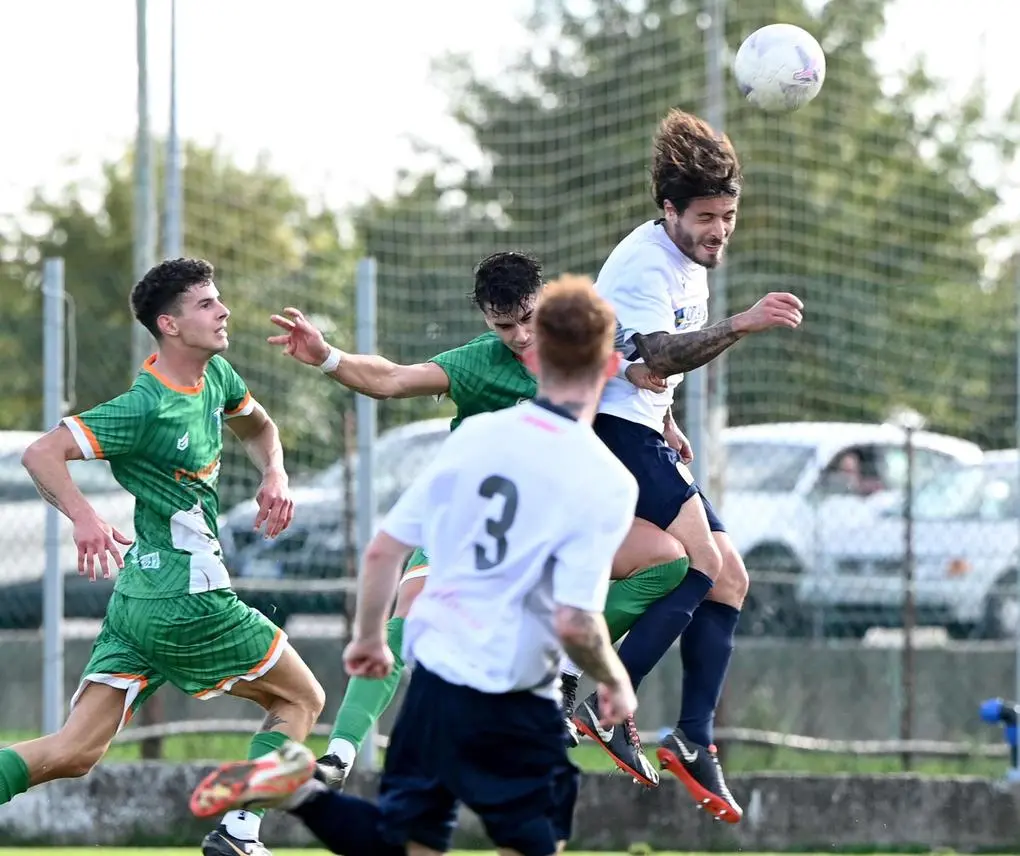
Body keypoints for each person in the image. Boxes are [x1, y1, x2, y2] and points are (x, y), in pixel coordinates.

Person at [190, 277, 641, 856]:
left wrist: (370, 640)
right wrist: (614, 682)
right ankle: (300, 790)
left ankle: (299, 792)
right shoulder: (608, 480)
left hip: (437, 686)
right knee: (532, 845)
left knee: (402, 841)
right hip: (516, 696)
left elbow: (384, 548)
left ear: (538, 355)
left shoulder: (474, 435)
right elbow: (578, 624)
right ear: (607, 368)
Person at [268, 251, 687, 787]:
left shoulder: (580, 344)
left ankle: (558, 683)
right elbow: (393, 378)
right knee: (407, 616)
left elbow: (630, 382)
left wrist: (666, 425)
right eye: (503, 325)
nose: (518, 336)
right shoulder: (478, 367)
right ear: (487, 321)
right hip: (478, 524)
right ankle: (342, 753)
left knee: (668, 562)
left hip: (549, 529)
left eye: (527, 320)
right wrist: (329, 357)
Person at [7, 258, 326, 856]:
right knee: (302, 699)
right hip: (189, 598)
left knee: (73, 752)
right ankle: (239, 832)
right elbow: (41, 454)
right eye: (206, 304)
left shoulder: (219, 377)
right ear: (169, 325)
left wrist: (275, 475)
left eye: (218, 299)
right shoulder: (143, 406)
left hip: (139, 602)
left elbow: (260, 428)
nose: (223, 310)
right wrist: (84, 517)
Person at [567, 108, 804, 822]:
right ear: (669, 209)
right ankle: (604, 702)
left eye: (727, 216)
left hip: (641, 428)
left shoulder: (687, 260)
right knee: (698, 565)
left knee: (731, 578)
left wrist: (667, 418)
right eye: (705, 217)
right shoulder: (644, 260)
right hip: (609, 433)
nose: (718, 231)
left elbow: (652, 367)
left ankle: (693, 736)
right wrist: (741, 323)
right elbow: (652, 354)